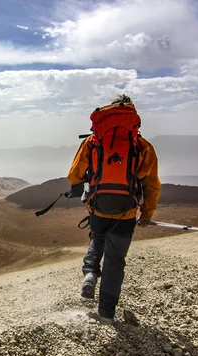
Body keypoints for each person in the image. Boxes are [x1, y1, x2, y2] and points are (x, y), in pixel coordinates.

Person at [67, 94, 161, 324]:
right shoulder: (142, 146)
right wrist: (146, 214)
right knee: (115, 261)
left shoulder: (93, 141)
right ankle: (106, 313)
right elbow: (152, 185)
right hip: (126, 211)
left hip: (98, 206)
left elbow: (74, 173)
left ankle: (90, 273)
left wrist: (83, 189)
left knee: (97, 238)